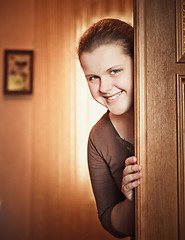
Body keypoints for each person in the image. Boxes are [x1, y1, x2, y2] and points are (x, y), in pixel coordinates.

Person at [77, 18, 142, 239]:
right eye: (93, 77)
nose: (104, 88)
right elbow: (111, 223)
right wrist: (133, 200)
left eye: (114, 71)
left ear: (140, 61)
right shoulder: (98, 138)